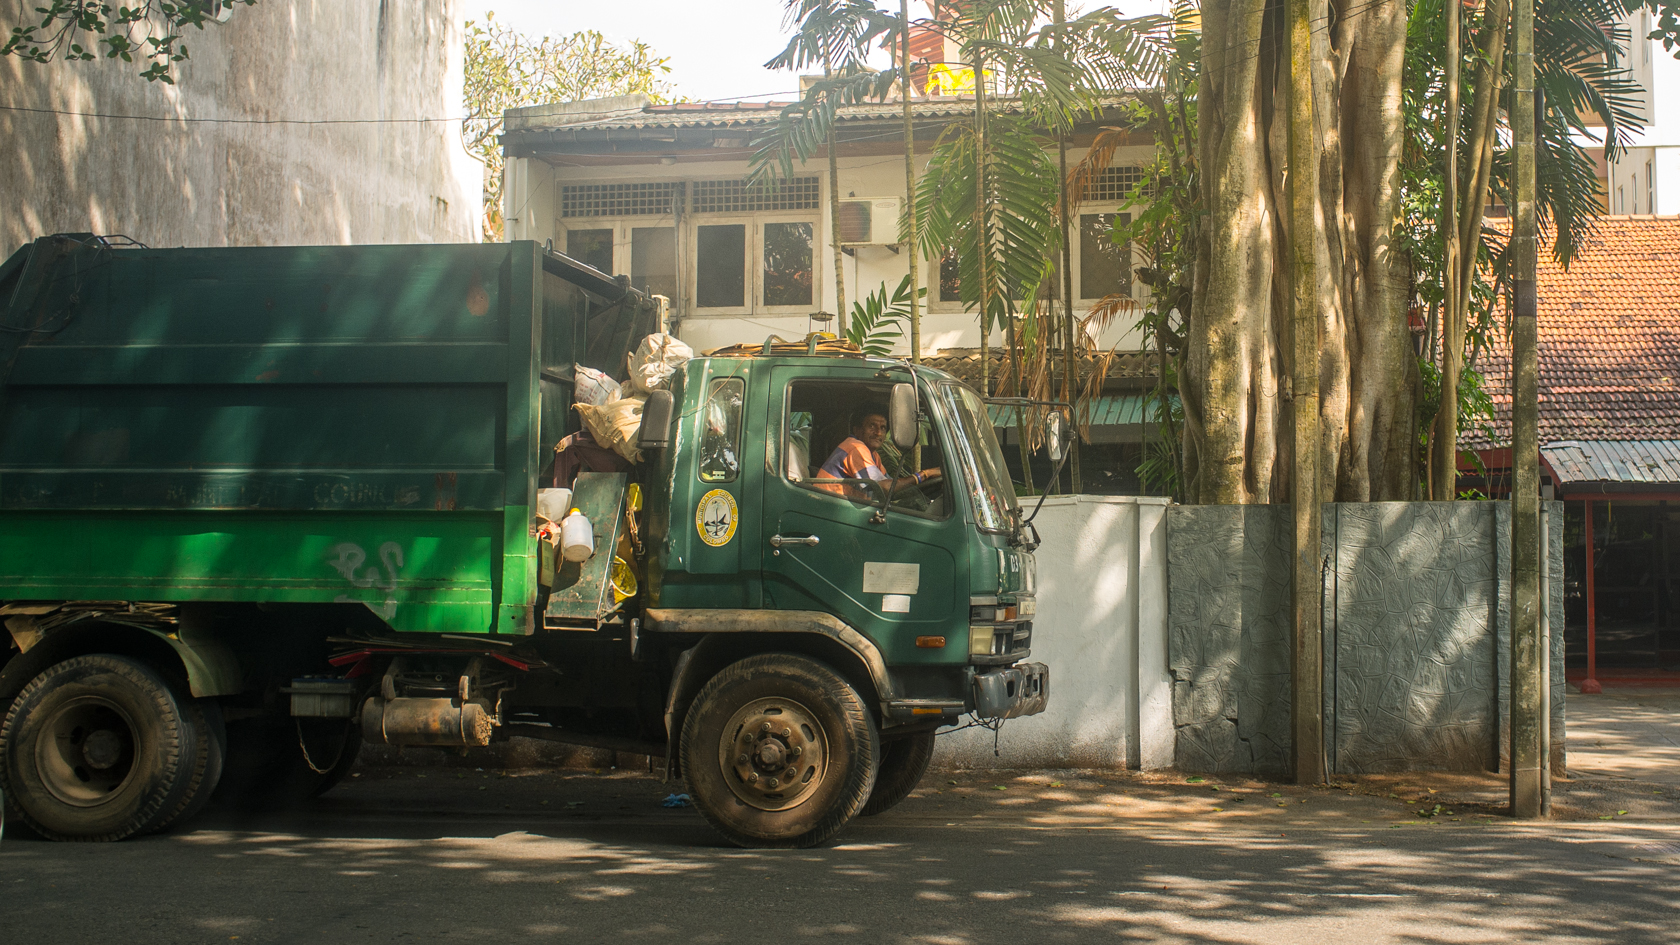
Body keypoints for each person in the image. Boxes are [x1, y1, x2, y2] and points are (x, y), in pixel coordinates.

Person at [815, 404, 940, 500]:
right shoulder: (855, 448)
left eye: (883, 428)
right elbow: (884, 489)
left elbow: (892, 486)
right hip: (829, 513)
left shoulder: (873, 455)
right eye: (871, 426)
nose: (878, 433)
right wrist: (925, 474)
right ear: (857, 430)